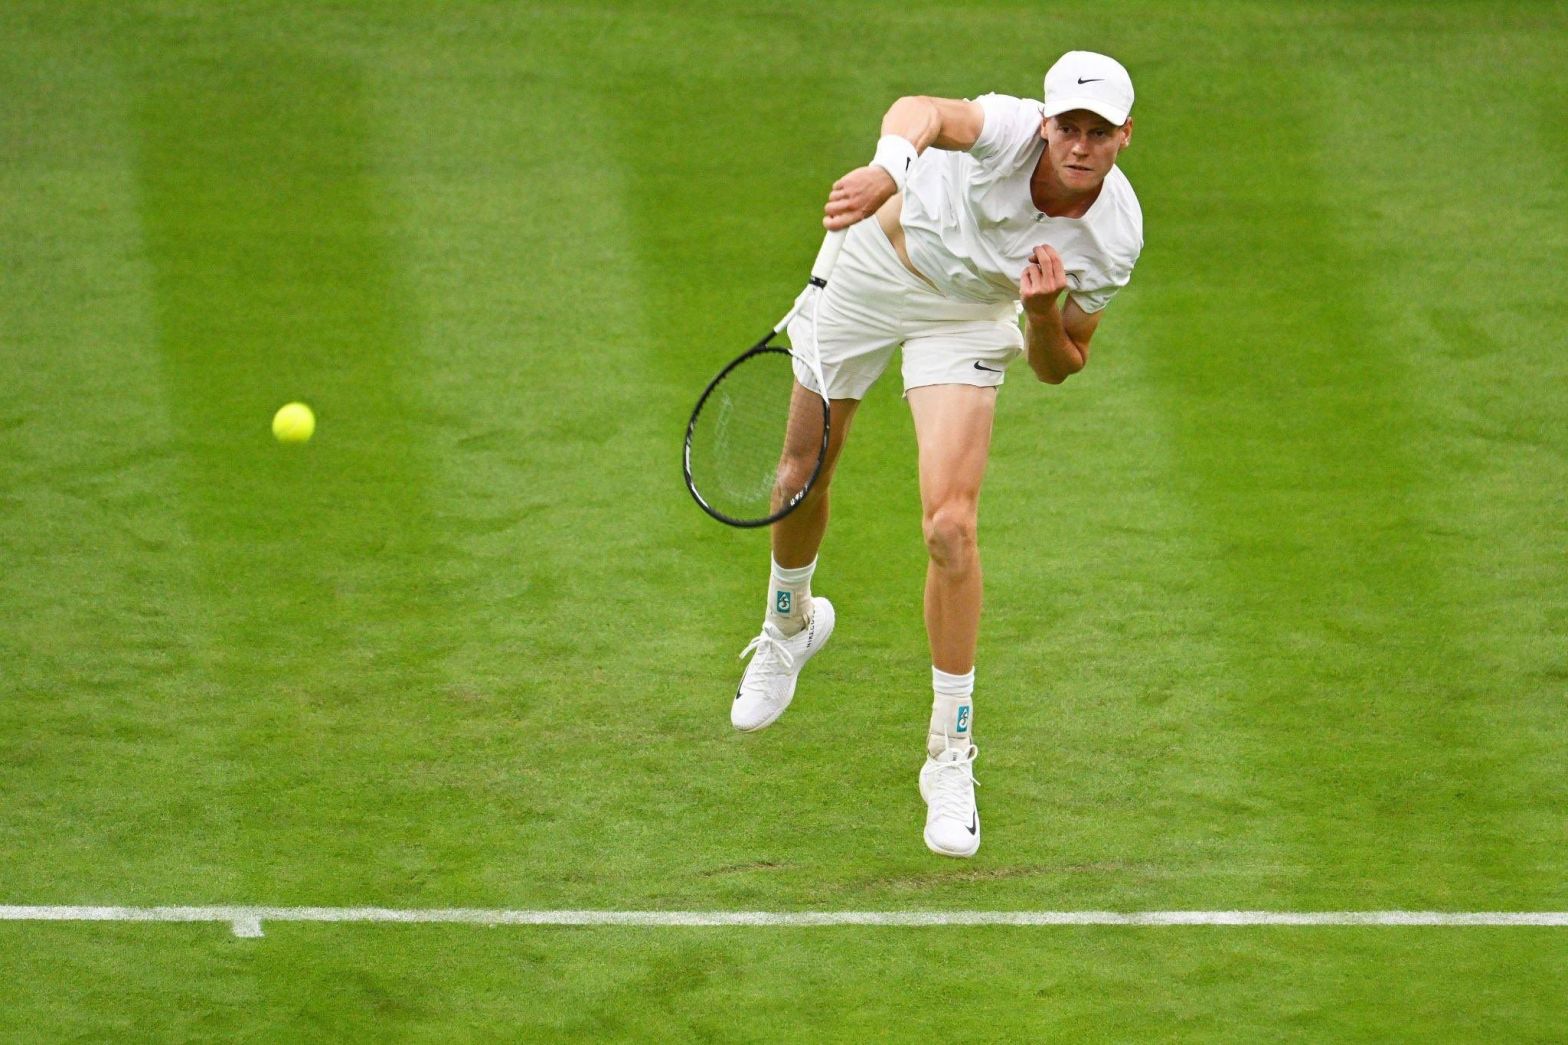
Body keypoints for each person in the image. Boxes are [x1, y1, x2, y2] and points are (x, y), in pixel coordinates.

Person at [729, 51, 1143, 858]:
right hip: (872, 271)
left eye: (1099, 132)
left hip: (968, 318)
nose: (1079, 145)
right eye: (1068, 127)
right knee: (799, 473)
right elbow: (923, 109)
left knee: (951, 528)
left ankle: (949, 753)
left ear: (1125, 136)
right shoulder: (1011, 128)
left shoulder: (1116, 234)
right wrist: (890, 170)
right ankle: (790, 623)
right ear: (1046, 122)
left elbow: (1061, 365)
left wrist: (1041, 316)